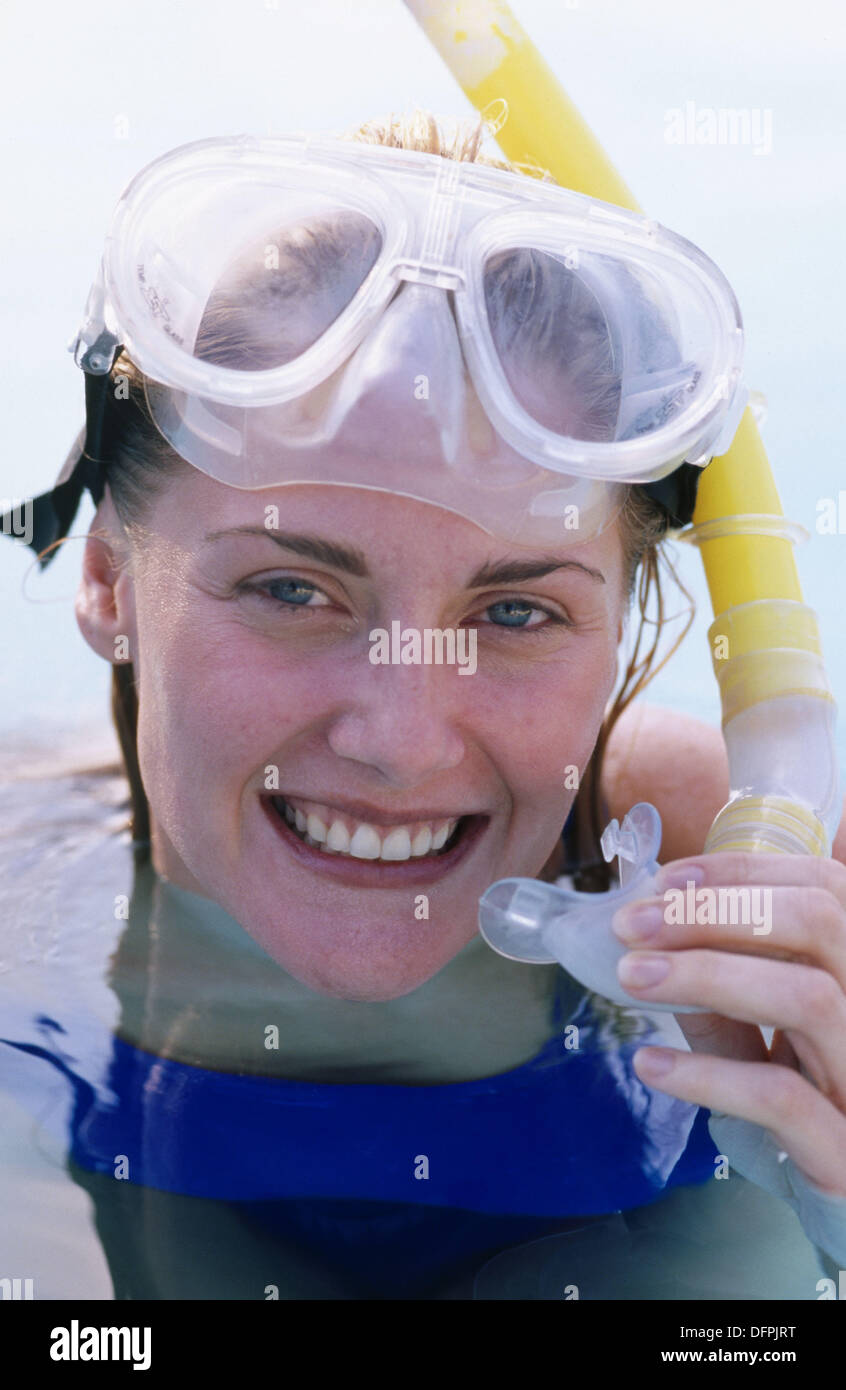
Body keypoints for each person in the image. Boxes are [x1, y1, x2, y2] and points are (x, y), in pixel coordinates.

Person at [2, 107, 846, 1301]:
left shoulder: (761, 878)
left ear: (620, 627)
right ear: (105, 578)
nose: (399, 742)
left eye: (515, 614)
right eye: (292, 588)